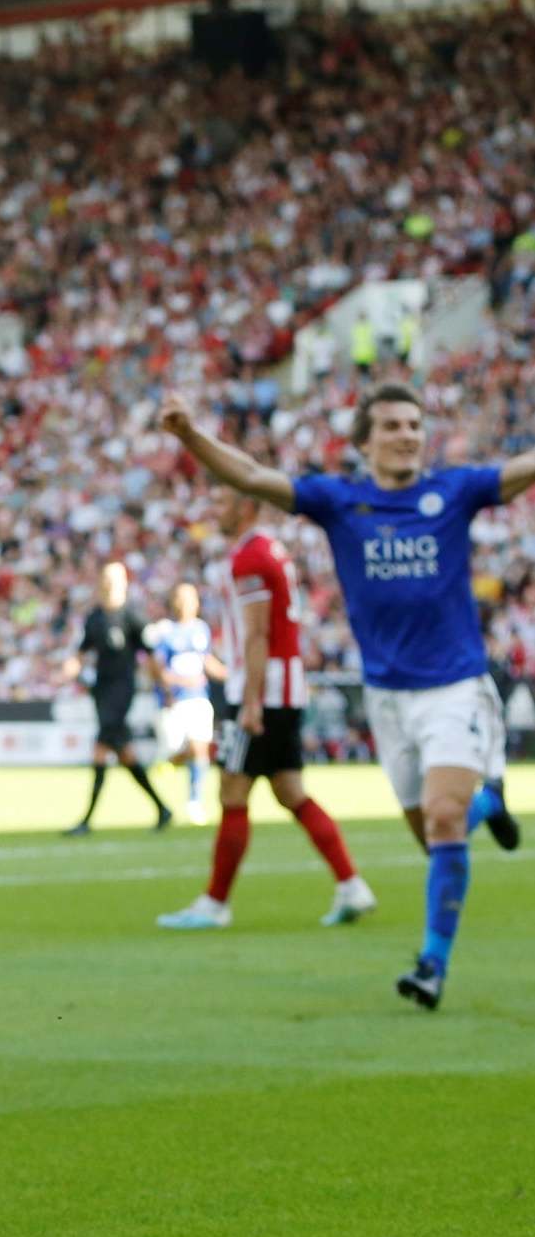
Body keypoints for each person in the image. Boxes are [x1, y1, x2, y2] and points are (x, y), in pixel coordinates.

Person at [161, 385, 529, 1005]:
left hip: (455, 687)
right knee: (434, 835)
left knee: (441, 818)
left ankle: (431, 966)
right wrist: (188, 435)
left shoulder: (455, 491)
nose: (407, 434)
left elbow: (523, 470)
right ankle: (487, 803)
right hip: (386, 699)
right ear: (364, 443)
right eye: (391, 425)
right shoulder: (340, 501)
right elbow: (253, 477)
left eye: (414, 424)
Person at [156, 484, 374, 930]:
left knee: (232, 792)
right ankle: (351, 885)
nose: (212, 507)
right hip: (283, 690)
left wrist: (250, 702)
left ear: (247, 506)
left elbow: (257, 636)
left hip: (261, 694)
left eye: (220, 500)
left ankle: (214, 904)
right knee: (289, 791)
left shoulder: (250, 558)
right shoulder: (269, 550)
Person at [63, 562, 173, 834]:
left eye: (115, 578)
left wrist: (165, 688)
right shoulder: (95, 617)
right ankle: (162, 808)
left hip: (122, 689)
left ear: (124, 581)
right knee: (124, 753)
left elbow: (150, 656)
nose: (110, 583)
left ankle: (87, 821)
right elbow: (82, 651)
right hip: (101, 689)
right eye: (106, 578)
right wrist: (71, 667)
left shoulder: (133, 616)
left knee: (101, 748)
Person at [150, 581, 222, 823]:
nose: (185, 604)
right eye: (180, 598)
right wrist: (174, 685)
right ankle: (168, 763)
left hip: (199, 697)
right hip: (176, 701)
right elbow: (157, 669)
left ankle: (194, 800)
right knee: (181, 750)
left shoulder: (201, 629)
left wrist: (230, 674)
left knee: (200, 747)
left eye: (190, 598)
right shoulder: (166, 631)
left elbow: (207, 661)